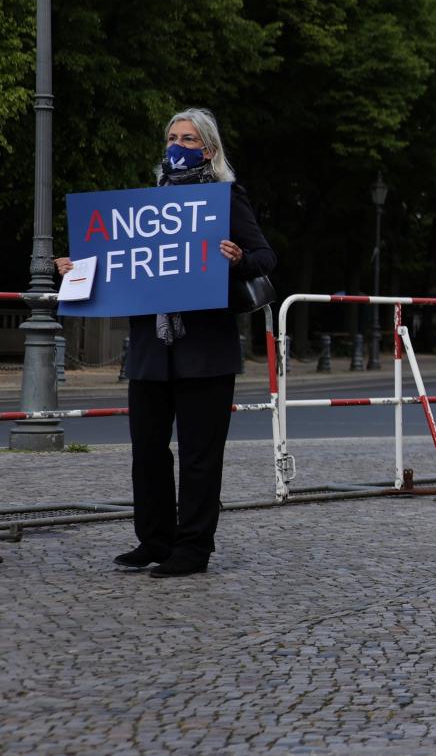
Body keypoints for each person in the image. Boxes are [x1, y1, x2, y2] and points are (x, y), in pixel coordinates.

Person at [58, 108, 275, 578]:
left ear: (209, 149)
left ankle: (193, 548)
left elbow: (265, 256)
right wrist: (79, 269)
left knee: (200, 455)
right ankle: (154, 540)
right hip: (151, 351)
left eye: (190, 139)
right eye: (173, 136)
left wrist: (236, 258)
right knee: (148, 452)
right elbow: (119, 262)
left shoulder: (225, 197)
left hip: (205, 350)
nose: (179, 145)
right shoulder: (144, 205)